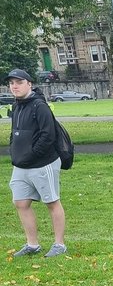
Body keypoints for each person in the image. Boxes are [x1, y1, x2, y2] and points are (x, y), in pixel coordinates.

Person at [6, 68, 67, 257]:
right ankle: (32, 245)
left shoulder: (39, 106)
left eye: (19, 82)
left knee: (52, 202)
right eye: (11, 83)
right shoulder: (17, 106)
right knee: (20, 202)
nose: (14, 86)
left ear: (29, 84)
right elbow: (14, 133)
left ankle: (59, 244)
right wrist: (14, 151)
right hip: (21, 165)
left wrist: (32, 155)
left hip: (43, 164)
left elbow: (48, 136)